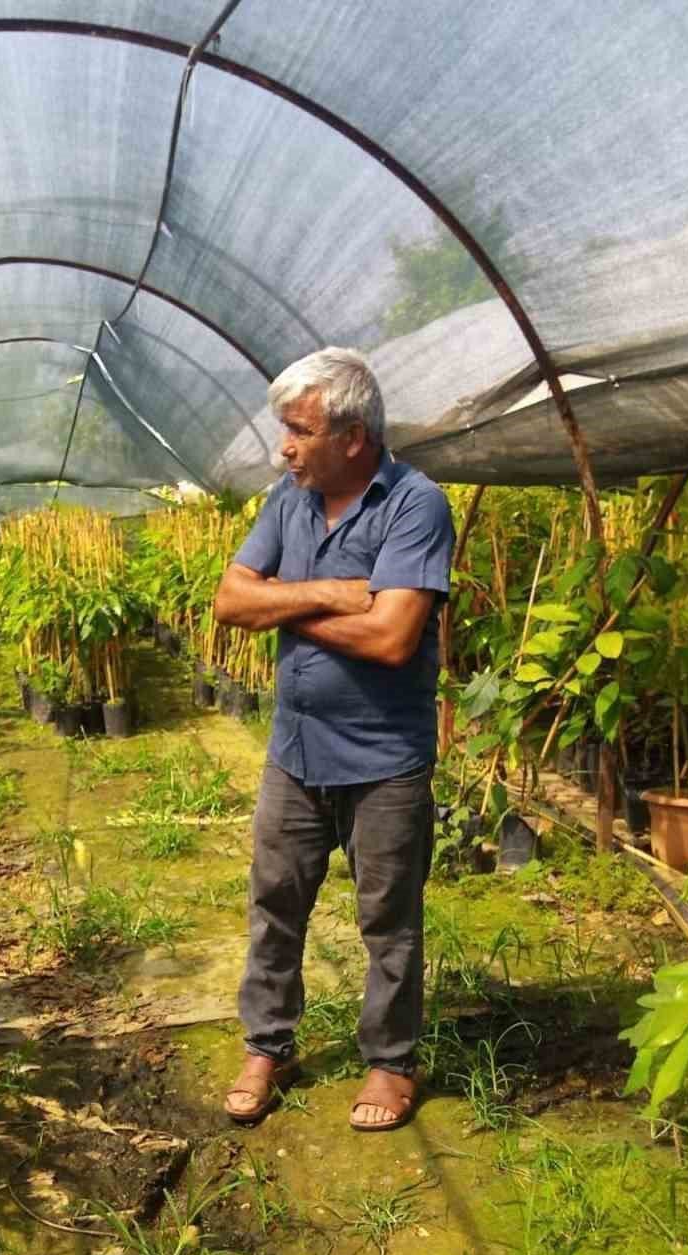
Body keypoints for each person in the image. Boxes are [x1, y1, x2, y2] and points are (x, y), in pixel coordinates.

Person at [215, 348, 453, 1131]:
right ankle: (268, 1045)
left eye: (298, 430)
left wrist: (279, 601)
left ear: (352, 436)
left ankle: (389, 1063)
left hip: (384, 757)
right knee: (275, 904)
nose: (284, 446)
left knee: (388, 919)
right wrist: (325, 593)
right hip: (295, 750)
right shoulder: (289, 500)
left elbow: (392, 637)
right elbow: (229, 600)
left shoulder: (415, 505)